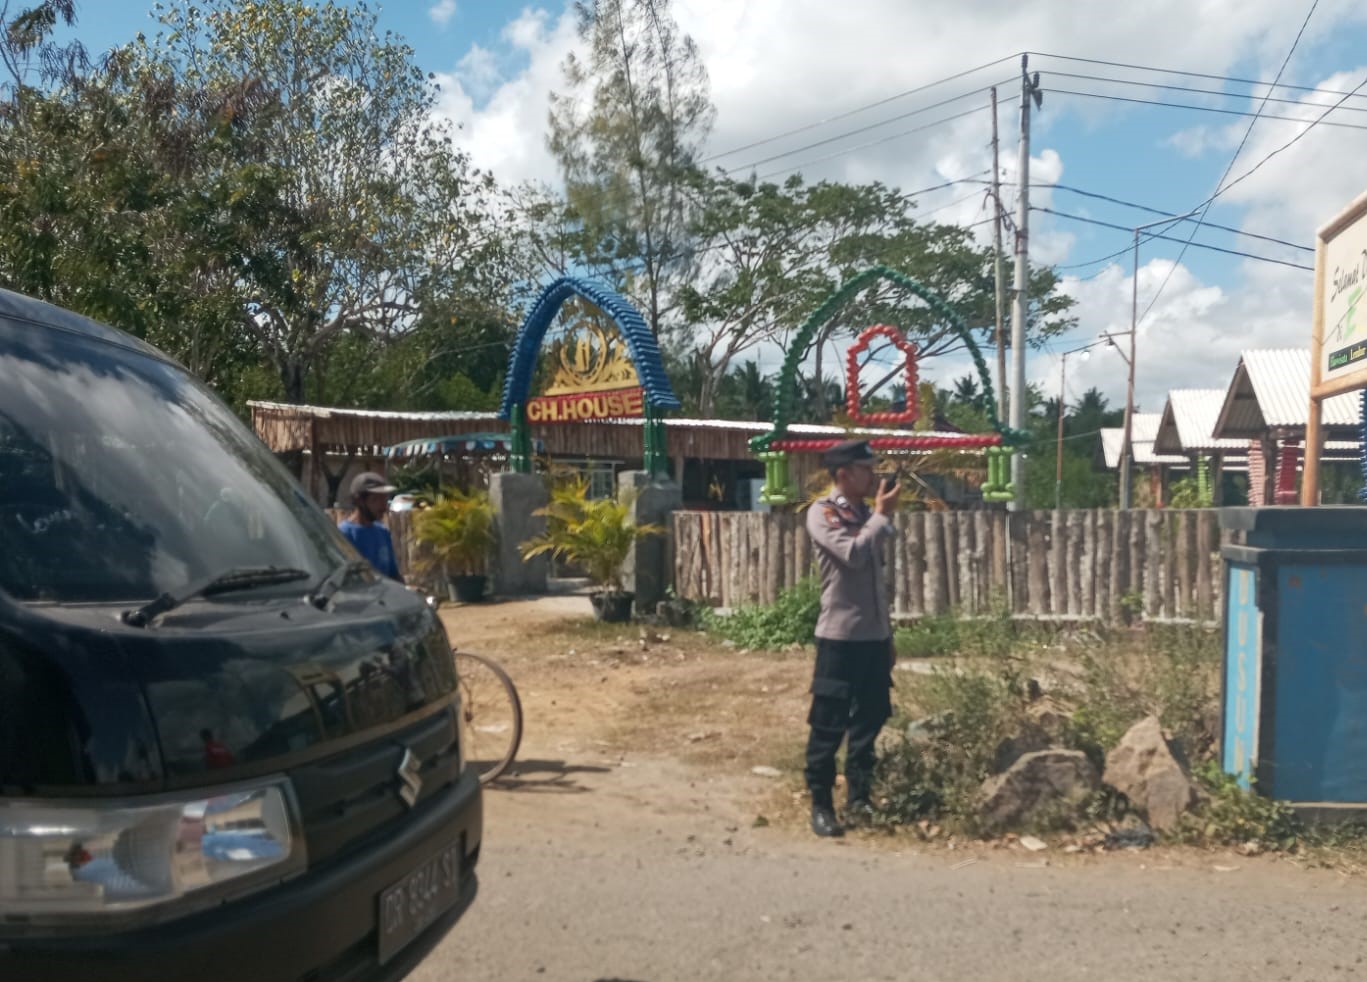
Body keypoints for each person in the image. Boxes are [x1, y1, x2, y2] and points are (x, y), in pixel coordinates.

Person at [803, 439, 900, 838]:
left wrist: (887, 636)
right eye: (866, 469)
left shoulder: (864, 513)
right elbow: (855, 556)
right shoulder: (823, 514)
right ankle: (822, 805)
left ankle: (860, 798)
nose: (873, 475)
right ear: (844, 474)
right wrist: (879, 516)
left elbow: (876, 582)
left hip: (872, 637)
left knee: (870, 719)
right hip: (839, 638)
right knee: (828, 723)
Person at [338, 471, 404, 582]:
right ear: (360, 500)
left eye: (385, 499)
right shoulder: (344, 535)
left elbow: (393, 575)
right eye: (376, 499)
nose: (383, 506)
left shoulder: (383, 532)